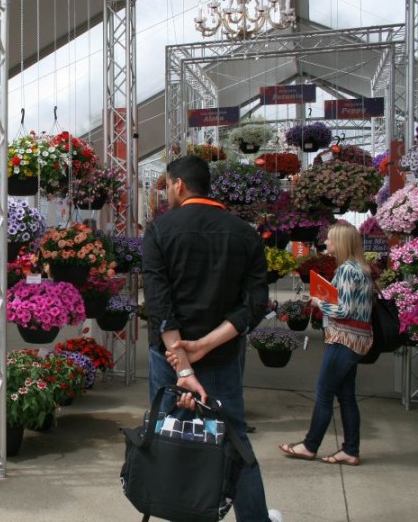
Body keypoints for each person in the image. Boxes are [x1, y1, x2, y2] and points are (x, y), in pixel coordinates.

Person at [142, 155, 282, 522]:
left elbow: (159, 302)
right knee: (233, 439)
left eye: (166, 184)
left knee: (169, 437)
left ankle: (178, 511)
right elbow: (254, 304)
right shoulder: (245, 233)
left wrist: (184, 366)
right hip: (221, 359)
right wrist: (205, 346)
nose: (166, 191)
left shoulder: (160, 230)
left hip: (169, 362)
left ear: (178, 185)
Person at [278, 222, 373, 466]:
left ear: (340, 243)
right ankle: (350, 450)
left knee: (323, 394)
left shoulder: (348, 270)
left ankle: (310, 446)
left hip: (343, 339)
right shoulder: (359, 268)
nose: (326, 243)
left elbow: (343, 309)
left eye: (330, 239)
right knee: (347, 397)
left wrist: (319, 302)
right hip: (356, 339)